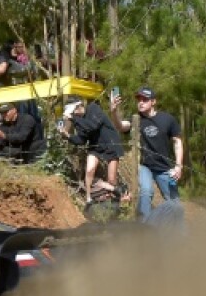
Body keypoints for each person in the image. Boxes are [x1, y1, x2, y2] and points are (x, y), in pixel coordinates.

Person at [110, 86, 183, 221]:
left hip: (165, 168)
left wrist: (178, 166)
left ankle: (180, 231)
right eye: (139, 99)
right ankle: (144, 226)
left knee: (174, 203)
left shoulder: (168, 119)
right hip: (146, 166)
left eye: (145, 99)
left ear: (153, 102)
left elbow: (177, 142)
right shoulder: (137, 119)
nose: (141, 102)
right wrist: (114, 111)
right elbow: (120, 126)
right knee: (146, 191)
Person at [61, 98, 124, 202]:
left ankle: (114, 198)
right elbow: (81, 140)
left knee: (112, 179)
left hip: (111, 144)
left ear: (78, 107)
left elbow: (93, 126)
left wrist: (73, 119)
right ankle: (88, 199)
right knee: (90, 170)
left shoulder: (93, 108)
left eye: (73, 112)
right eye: (72, 113)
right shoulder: (78, 120)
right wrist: (68, 136)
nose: (73, 114)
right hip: (95, 147)